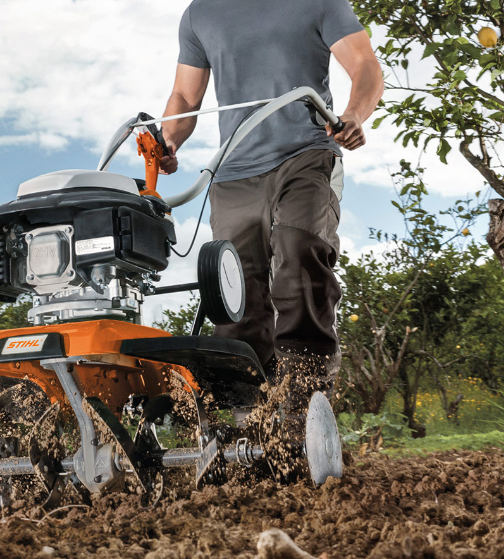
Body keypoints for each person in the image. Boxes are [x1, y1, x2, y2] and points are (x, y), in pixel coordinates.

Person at [158, 0, 383, 401]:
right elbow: (184, 97)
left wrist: (353, 114)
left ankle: (306, 402)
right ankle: (247, 420)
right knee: (234, 295)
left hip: (307, 154)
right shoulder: (200, 13)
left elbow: (365, 64)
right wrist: (168, 139)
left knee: (299, 262)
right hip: (232, 171)